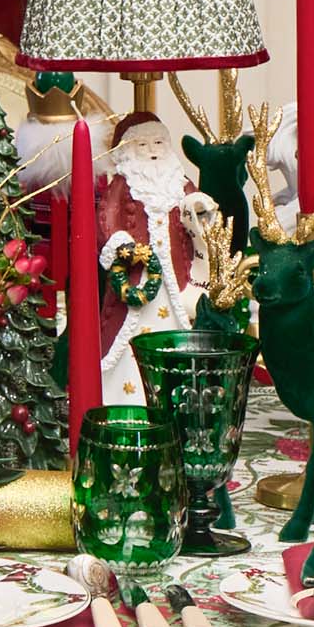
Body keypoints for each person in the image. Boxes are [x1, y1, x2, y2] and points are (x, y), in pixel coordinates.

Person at [95, 110, 206, 405]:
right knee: (125, 339)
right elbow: (108, 217)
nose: (153, 152)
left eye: (158, 143)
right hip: (133, 281)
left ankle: (175, 396)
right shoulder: (123, 184)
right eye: (143, 146)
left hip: (176, 283)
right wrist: (122, 245)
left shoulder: (180, 183)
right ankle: (124, 397)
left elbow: (195, 216)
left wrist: (200, 211)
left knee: (176, 335)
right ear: (128, 151)